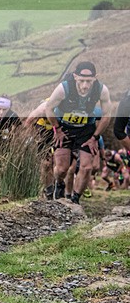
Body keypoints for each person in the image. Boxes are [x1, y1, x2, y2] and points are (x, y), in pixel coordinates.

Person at [45, 61, 111, 204]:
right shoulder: (63, 88)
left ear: (95, 78)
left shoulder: (101, 90)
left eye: (89, 81)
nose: (85, 86)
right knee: (62, 169)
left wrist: (95, 137)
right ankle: (59, 182)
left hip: (86, 130)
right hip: (65, 128)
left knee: (86, 167)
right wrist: (57, 129)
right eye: (81, 81)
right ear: (75, 77)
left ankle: (75, 199)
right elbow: (49, 108)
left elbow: (107, 116)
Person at [23, 99, 56, 199]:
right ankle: (48, 189)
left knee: (56, 164)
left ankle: (57, 187)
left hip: (57, 135)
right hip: (42, 136)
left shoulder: (64, 109)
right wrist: (31, 137)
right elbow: (28, 122)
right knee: (46, 164)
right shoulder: (42, 109)